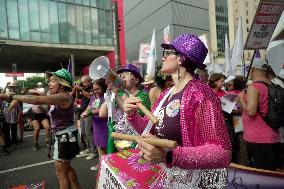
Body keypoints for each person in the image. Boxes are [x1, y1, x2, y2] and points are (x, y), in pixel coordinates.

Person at [123, 34, 231, 186]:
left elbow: (222, 153)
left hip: (192, 182)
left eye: (167, 53)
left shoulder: (200, 94)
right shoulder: (166, 94)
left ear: (181, 58)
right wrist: (132, 115)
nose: (162, 58)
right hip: (168, 179)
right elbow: (149, 128)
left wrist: (169, 156)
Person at [1, 69, 81, 189]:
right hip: (64, 136)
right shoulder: (57, 96)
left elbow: (36, 100)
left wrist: (10, 95)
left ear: (62, 84)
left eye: (53, 81)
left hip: (64, 138)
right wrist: (18, 97)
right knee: (67, 168)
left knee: (61, 173)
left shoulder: (63, 96)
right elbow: (37, 96)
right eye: (49, 81)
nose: (49, 84)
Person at [238, 59, 281, 171]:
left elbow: (251, 112)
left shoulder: (254, 87)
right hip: (273, 137)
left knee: (260, 175)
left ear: (252, 70)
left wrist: (241, 99)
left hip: (258, 139)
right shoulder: (271, 85)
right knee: (271, 174)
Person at [81, 79, 108, 170]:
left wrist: (90, 113)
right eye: (94, 89)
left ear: (103, 88)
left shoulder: (106, 96)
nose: (96, 91)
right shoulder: (94, 96)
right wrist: (85, 112)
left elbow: (103, 110)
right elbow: (89, 106)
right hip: (97, 124)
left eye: (98, 89)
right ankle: (101, 165)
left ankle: (106, 166)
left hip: (104, 124)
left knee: (105, 146)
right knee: (99, 146)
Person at [73, 76, 95, 159]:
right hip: (81, 112)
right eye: (82, 82)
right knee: (83, 132)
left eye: (85, 82)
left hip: (89, 112)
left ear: (90, 81)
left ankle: (94, 150)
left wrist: (81, 89)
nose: (84, 84)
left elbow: (90, 97)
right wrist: (77, 90)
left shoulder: (92, 88)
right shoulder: (82, 88)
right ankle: (89, 148)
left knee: (88, 131)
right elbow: (77, 98)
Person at [28, 82, 50, 150]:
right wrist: (39, 92)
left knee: (47, 127)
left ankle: (47, 141)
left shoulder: (47, 96)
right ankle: (35, 143)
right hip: (34, 114)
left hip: (42, 114)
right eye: (39, 86)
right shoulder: (36, 94)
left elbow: (47, 108)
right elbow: (29, 90)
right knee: (37, 128)